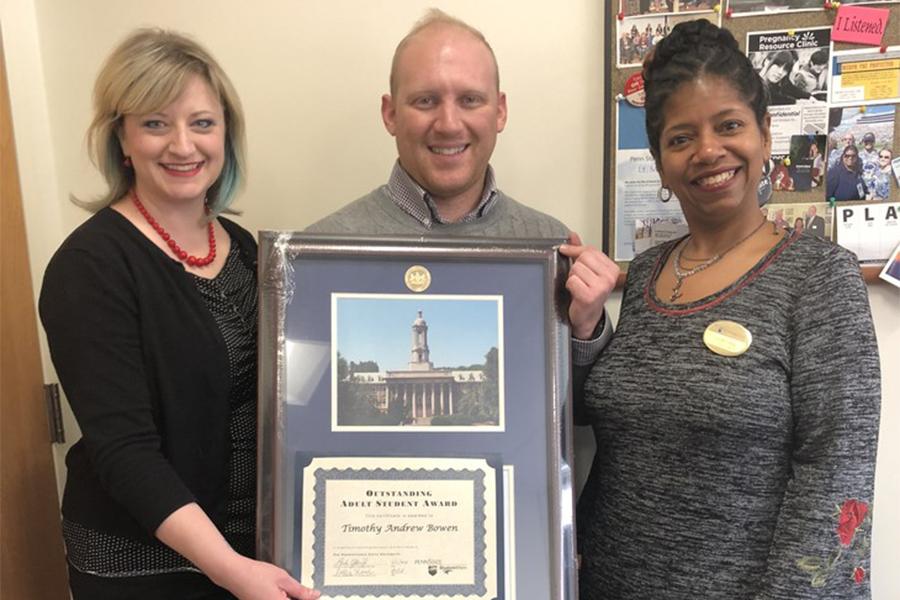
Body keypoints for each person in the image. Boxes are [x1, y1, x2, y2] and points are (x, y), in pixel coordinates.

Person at [577, 19, 879, 599]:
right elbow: (616, 439)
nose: (708, 150)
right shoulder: (643, 277)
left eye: (729, 125)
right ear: (661, 163)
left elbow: (835, 482)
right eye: (681, 137)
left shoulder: (819, 279)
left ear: (765, 135)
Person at [38, 29, 319, 600]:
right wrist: (230, 569)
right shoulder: (90, 267)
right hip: (146, 564)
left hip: (249, 546)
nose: (183, 145)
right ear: (121, 137)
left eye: (202, 123)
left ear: (226, 135)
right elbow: (126, 454)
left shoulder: (243, 249)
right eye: (155, 123)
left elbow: (289, 386)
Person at [307, 9, 619, 365]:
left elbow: (568, 411)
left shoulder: (550, 248)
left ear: (499, 111)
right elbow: (307, 403)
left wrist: (586, 329)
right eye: (425, 100)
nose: (449, 124)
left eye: (470, 99)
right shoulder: (320, 252)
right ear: (390, 113)